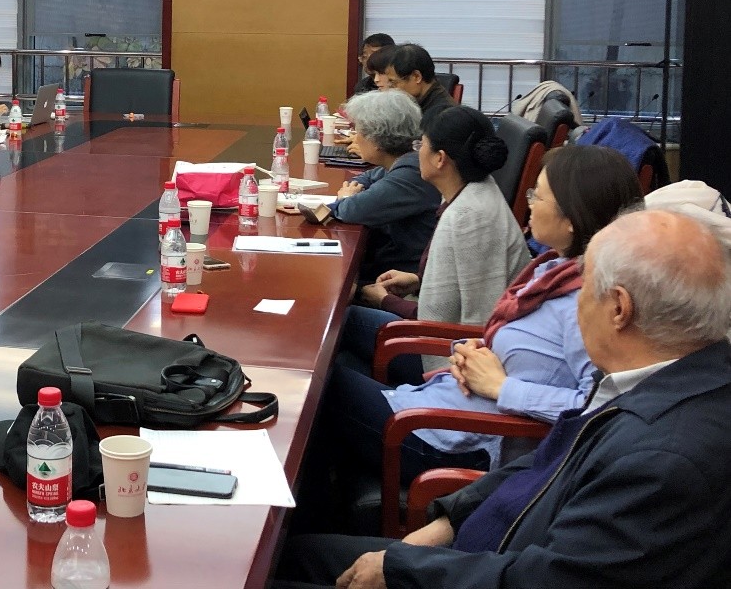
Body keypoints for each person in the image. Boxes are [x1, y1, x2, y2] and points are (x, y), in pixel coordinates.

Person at [275, 208, 731, 589]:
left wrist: (402, 569)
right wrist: (446, 524)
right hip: (476, 551)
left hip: (486, 568)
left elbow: (549, 580)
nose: (575, 305)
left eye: (583, 288)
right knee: (292, 556)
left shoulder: (663, 459)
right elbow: (543, 466)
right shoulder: (648, 379)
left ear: (618, 308)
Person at [323, 145, 644, 488]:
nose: (530, 203)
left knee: (317, 385)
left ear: (571, 220)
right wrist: (470, 350)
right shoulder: (555, 269)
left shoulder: (589, 304)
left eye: (538, 195)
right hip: (447, 402)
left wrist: (502, 387)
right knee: (328, 358)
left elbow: (601, 409)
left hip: (458, 441)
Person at [342, 105, 529, 384]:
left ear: (440, 159)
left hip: (446, 358)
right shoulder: (469, 191)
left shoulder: (470, 217)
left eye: (421, 145)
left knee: (339, 332)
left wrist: (387, 301)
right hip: (435, 332)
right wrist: (418, 281)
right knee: (340, 337)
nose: (416, 153)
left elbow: (477, 326)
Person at [328, 90, 442, 284]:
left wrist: (346, 198)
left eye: (359, 131)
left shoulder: (411, 173)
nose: (356, 138)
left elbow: (350, 210)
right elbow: (367, 177)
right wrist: (355, 192)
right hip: (392, 262)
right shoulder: (404, 160)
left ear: (376, 140)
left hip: (402, 276)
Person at [384, 43, 455, 127]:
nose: (391, 89)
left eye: (393, 82)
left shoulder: (442, 115)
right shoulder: (418, 102)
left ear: (416, 76)